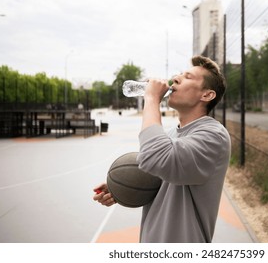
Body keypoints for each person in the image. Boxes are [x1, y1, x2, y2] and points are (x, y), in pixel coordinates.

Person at [93, 55, 231, 243]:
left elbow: (157, 157)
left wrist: (151, 99)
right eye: (180, 74)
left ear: (206, 95)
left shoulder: (214, 136)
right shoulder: (171, 134)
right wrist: (121, 186)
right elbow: (156, 176)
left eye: (187, 77)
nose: (176, 78)